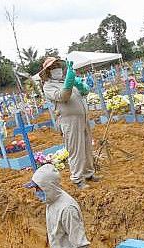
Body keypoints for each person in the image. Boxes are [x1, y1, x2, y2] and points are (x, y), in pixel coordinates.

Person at [39, 57, 100, 189]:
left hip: (82, 118)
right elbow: (63, 96)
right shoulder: (48, 86)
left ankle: (89, 173)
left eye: (58, 65)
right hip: (69, 121)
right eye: (53, 67)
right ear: (48, 71)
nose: (57, 69)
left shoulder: (64, 80)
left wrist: (80, 86)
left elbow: (82, 93)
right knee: (76, 149)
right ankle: (77, 178)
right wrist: (69, 81)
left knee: (87, 146)